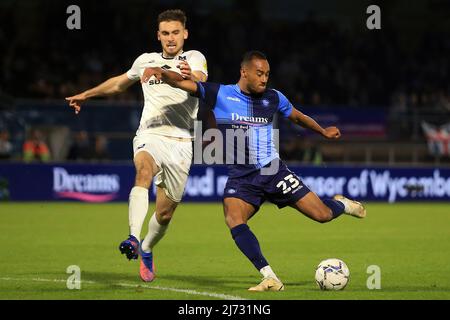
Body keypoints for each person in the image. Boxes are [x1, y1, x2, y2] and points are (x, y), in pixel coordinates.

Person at [141, 50, 366, 291]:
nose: (264, 78)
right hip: (242, 176)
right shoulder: (222, 94)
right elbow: (188, 83)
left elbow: (297, 117)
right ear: (244, 72)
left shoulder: (273, 97)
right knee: (233, 217)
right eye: (259, 73)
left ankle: (342, 204)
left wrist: (322, 131)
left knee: (322, 215)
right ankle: (270, 277)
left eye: (267, 74)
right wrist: (162, 72)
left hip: (273, 172)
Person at [65, 9, 208, 282]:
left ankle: (146, 246)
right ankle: (132, 236)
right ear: (158, 35)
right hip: (150, 134)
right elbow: (119, 83)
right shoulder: (145, 60)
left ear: (185, 34)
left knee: (165, 214)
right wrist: (87, 94)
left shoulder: (194, 59)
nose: (170, 38)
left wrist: (170, 74)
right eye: (165, 33)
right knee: (143, 172)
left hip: (182, 143)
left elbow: (199, 81)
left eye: (175, 32)